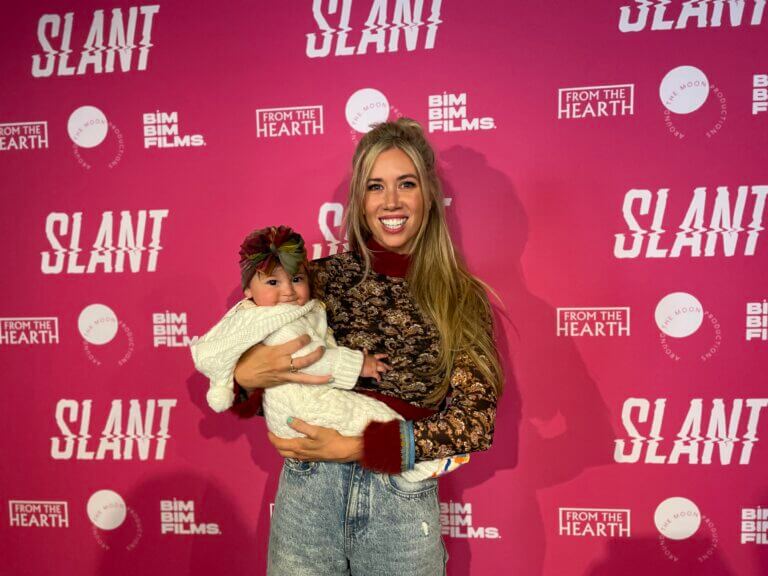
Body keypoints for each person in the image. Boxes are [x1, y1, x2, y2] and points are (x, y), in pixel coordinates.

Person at [231, 119, 503, 575]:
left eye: (406, 184)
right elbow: (265, 380)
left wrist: (359, 446)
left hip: (399, 499)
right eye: (376, 186)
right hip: (308, 492)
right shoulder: (317, 280)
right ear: (360, 199)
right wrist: (245, 375)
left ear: (428, 196)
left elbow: (476, 419)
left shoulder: (458, 295)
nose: (391, 201)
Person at [191, 225, 468, 482]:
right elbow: (312, 359)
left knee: (372, 418)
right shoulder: (280, 322)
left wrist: (226, 381)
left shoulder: (270, 312)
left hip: (305, 413)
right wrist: (360, 364)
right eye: (273, 283)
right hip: (306, 413)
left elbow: (219, 347)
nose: (288, 291)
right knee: (373, 417)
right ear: (248, 290)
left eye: (297, 279)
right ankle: (425, 464)